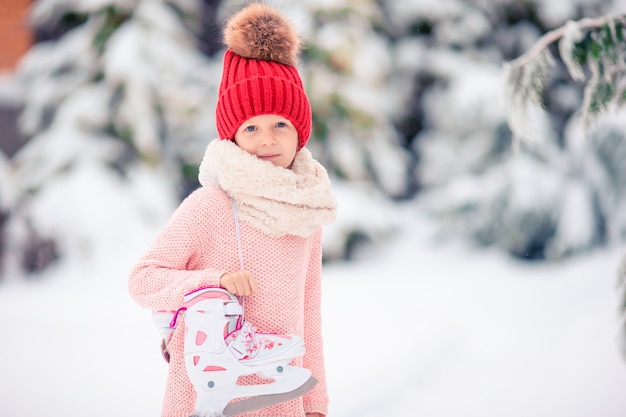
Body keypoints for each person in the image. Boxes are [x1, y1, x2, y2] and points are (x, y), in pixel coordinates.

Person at [128, 3, 337, 417]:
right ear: (233, 135)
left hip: (281, 397)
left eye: (280, 124)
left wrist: (314, 400)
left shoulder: (305, 212)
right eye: (251, 127)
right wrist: (214, 282)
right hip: (210, 398)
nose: (267, 140)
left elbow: (308, 311)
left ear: (300, 130)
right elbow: (144, 280)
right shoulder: (211, 205)